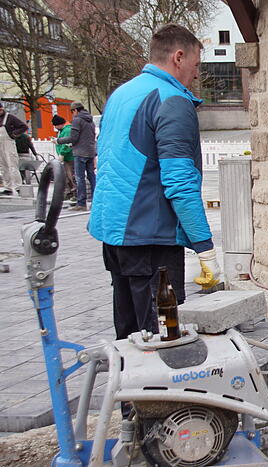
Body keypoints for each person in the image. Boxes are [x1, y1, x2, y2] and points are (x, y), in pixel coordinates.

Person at [88, 23, 221, 340]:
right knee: (161, 339)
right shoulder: (171, 100)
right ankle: (155, 391)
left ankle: (129, 390)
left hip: (116, 236)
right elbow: (180, 182)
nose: (197, 74)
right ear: (178, 57)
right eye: (196, 64)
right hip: (151, 241)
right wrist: (205, 249)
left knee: (129, 333)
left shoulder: (121, 94)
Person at [56, 101, 96, 211]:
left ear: (75, 110)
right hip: (90, 151)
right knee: (92, 176)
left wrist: (58, 141)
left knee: (80, 178)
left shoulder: (77, 120)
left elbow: (73, 138)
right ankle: (95, 201)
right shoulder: (90, 121)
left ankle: (81, 203)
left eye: (72, 111)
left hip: (80, 152)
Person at [0, 103, 27, 195]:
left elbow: (24, 126)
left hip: (8, 143)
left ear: (2, 109)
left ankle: (18, 186)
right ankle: (8, 187)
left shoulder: (10, 117)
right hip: (0, 144)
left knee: (12, 165)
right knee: (4, 166)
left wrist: (14, 134)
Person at [52, 115, 76, 200]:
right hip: (67, 157)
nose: (55, 127)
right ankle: (71, 193)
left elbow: (67, 144)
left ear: (59, 124)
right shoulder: (64, 130)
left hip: (69, 157)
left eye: (55, 125)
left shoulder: (67, 130)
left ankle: (74, 193)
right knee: (68, 176)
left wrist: (62, 153)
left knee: (71, 176)